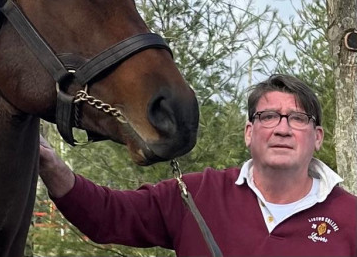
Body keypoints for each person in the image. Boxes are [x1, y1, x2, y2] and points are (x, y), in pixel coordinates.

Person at [39, 74, 357, 256]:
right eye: (268, 116)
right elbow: (109, 216)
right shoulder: (196, 195)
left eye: (298, 118)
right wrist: (53, 167)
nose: (282, 128)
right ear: (250, 132)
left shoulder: (350, 217)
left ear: (317, 137)